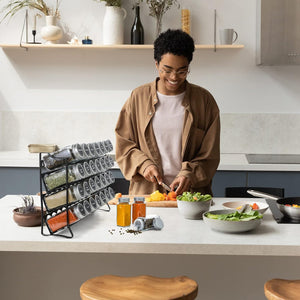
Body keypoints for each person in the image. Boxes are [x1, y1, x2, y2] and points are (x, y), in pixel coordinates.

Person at [115, 29, 220, 196]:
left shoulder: (204, 101)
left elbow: (210, 156)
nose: (174, 77)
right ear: (156, 64)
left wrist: (189, 174)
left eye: (182, 71)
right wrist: (144, 165)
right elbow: (124, 146)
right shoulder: (138, 98)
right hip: (147, 196)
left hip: (192, 198)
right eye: (167, 69)